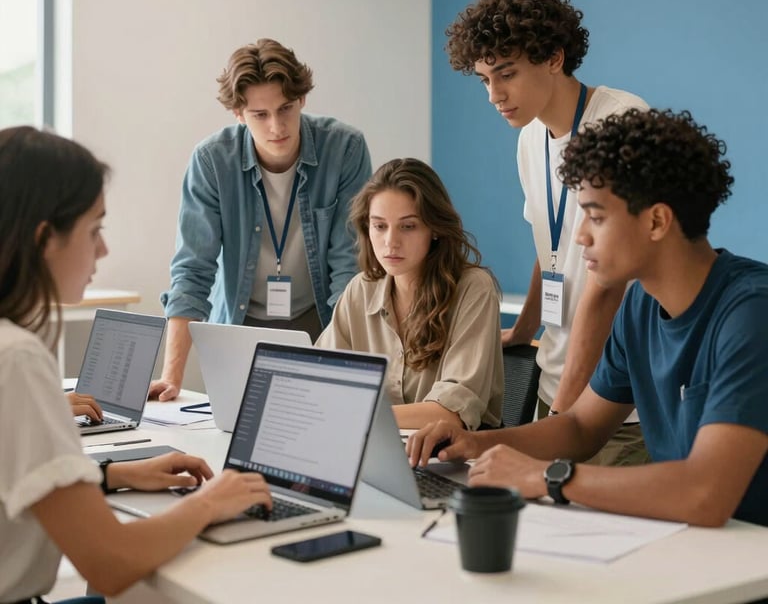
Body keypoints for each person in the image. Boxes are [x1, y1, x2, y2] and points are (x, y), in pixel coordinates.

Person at [407, 108, 768, 528]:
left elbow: (706, 493)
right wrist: (474, 444)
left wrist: (546, 477)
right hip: (701, 545)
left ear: (656, 221)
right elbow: (581, 427)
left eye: (595, 217)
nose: (580, 237)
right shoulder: (640, 304)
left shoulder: (751, 312)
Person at [0, 126, 272, 602]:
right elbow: (111, 561)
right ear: (45, 239)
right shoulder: (17, 358)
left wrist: (114, 474)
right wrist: (209, 503)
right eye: (94, 230)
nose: (103, 250)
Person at [445, 0, 649, 464]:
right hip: (555, 383)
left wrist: (561, 417)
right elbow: (552, 247)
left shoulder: (621, 122)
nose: (494, 95)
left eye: (506, 74)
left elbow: (608, 284)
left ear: (554, 58)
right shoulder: (529, 138)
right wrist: (525, 328)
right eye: (484, 79)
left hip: (612, 404)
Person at [151, 39, 372, 401]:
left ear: (302, 99)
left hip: (321, 321)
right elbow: (192, 271)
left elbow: (349, 266)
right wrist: (170, 377)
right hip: (240, 326)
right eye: (260, 115)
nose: (276, 126)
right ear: (238, 113)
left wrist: (343, 367)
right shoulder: (212, 161)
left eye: (285, 108)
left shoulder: (344, 148)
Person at [316, 158, 503, 430]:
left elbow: (450, 413)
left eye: (408, 226)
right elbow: (321, 381)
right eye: (380, 226)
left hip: (454, 450)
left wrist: (358, 416)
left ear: (435, 228)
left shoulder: (474, 289)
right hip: (377, 443)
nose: (390, 242)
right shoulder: (360, 289)